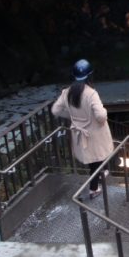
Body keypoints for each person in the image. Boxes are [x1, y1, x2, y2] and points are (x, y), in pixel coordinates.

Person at [51, 58, 114, 197]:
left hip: (80, 132)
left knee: (93, 157)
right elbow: (101, 116)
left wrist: (72, 117)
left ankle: (102, 172)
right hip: (95, 132)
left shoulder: (67, 92)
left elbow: (55, 110)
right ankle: (93, 189)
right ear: (90, 75)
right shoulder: (91, 93)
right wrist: (102, 115)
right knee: (97, 158)